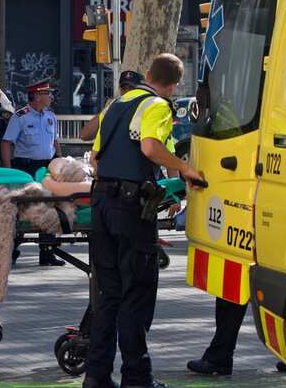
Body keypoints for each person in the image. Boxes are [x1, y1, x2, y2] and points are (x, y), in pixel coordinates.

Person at [84, 54, 204, 388]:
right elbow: (151, 148)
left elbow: (94, 158)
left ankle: (96, 376)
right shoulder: (157, 106)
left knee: (108, 295)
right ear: (174, 84)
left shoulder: (117, 105)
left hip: (101, 204)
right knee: (136, 293)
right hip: (130, 208)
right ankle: (137, 378)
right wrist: (185, 169)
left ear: (148, 73)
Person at [0, 79, 65, 267]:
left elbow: (55, 142)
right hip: (25, 167)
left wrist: (59, 161)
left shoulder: (51, 116)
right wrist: (8, 171)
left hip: (46, 168)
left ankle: (47, 252)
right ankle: (10, 251)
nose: (51, 96)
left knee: (50, 208)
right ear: (37, 96)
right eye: (48, 93)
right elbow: (6, 143)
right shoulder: (20, 117)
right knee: (21, 209)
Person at [80, 71, 144, 141]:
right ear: (120, 90)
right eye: (124, 89)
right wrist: (106, 110)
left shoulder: (144, 109)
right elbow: (84, 135)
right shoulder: (113, 108)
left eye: (132, 89)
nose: (127, 92)